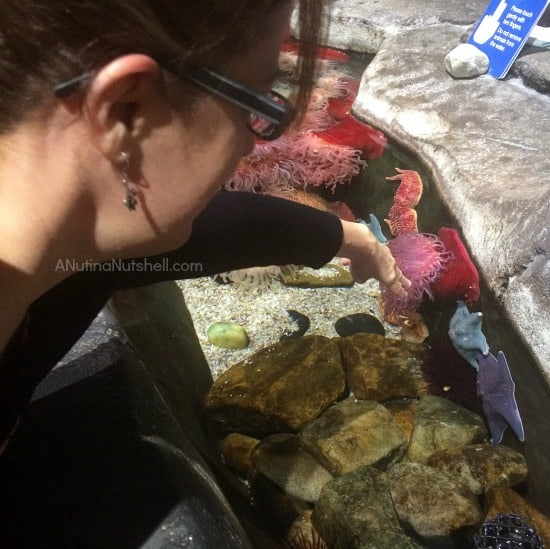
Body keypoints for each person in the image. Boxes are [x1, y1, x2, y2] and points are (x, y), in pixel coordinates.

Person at [0, 0, 409, 521]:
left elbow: (180, 239)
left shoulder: (56, 259)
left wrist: (350, 238)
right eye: (256, 107)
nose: (248, 143)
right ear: (129, 111)